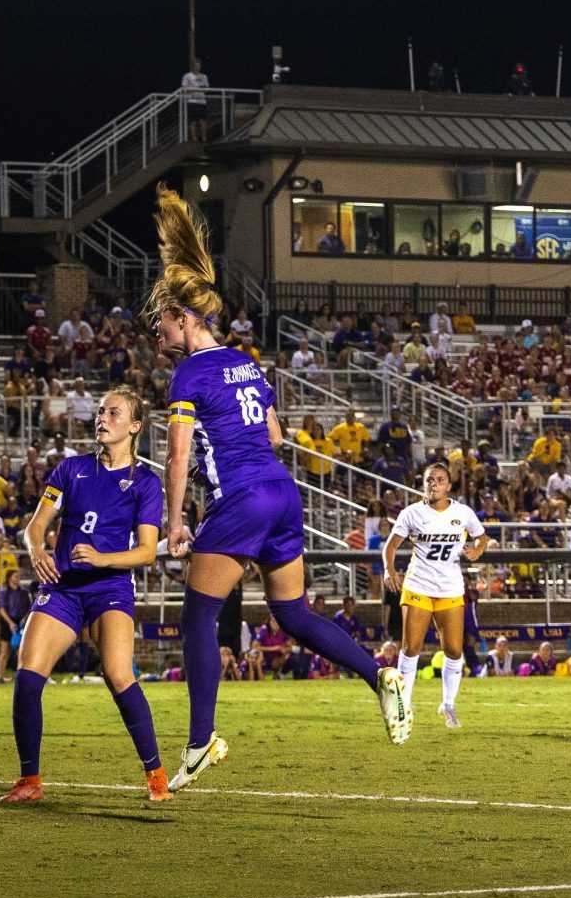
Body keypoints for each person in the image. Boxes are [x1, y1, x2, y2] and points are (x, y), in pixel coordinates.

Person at [150, 186, 400, 793]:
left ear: (185, 318)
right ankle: (379, 676)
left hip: (241, 498)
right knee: (291, 613)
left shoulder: (188, 372)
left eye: (160, 318)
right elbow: (277, 434)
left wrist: (175, 521)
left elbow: (178, 453)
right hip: (283, 494)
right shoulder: (245, 361)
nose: (156, 328)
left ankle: (201, 740)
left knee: (198, 619)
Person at [0, 386, 169, 803]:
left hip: (109, 588)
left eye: (113, 413)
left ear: (134, 426)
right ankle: (29, 781)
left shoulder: (146, 482)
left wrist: (103, 558)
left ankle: (157, 776)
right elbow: (35, 526)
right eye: (100, 411)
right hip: (63, 588)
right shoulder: (71, 469)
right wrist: (36, 549)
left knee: (117, 674)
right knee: (28, 674)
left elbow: (147, 552)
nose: (102, 418)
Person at [380, 463, 488, 729]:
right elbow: (391, 546)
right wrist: (388, 569)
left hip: (450, 588)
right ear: (423, 483)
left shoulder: (462, 512)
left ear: (448, 485)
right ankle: (402, 704)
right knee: (411, 647)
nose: (434, 484)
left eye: (440, 480)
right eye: (430, 480)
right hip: (418, 585)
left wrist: (477, 551)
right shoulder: (412, 513)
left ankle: (448, 705)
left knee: (453, 650)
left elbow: (482, 537)